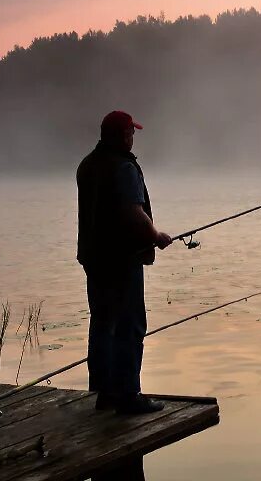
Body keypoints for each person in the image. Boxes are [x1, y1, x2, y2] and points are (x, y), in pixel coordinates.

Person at [77, 110, 173, 415]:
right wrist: (156, 235)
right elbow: (133, 211)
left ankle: (105, 394)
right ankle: (129, 395)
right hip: (122, 260)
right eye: (131, 132)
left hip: (95, 259)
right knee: (130, 325)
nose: (133, 137)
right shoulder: (123, 168)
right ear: (121, 135)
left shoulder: (88, 165)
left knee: (103, 324)